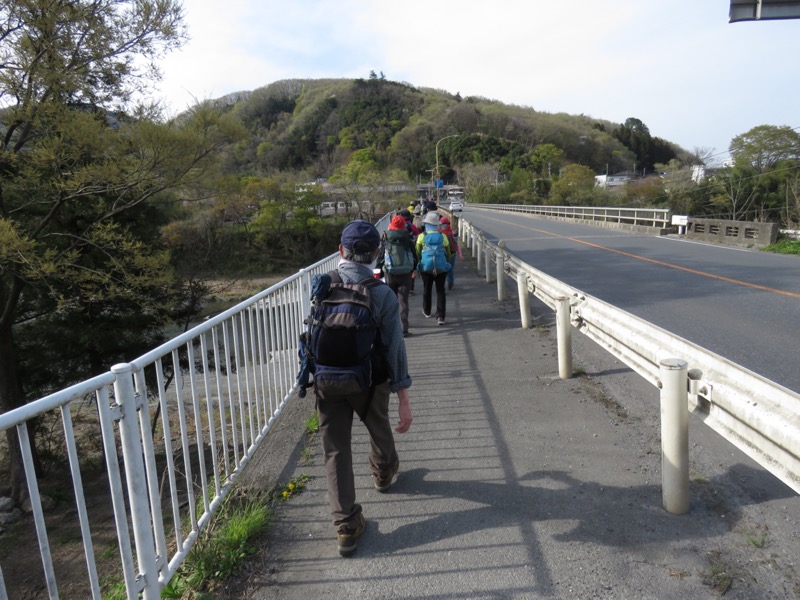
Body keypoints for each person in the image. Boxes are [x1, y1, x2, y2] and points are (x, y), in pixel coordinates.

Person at [316, 220, 413, 557]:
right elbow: (394, 347)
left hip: (327, 380)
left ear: (341, 251)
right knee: (379, 426)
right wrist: (403, 396)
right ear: (377, 253)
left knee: (335, 450)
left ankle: (345, 525)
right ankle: (383, 473)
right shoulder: (382, 293)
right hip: (370, 380)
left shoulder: (322, 286)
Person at [383, 215, 417, 336]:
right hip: (405, 273)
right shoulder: (408, 238)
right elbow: (414, 255)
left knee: (391, 301)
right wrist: (414, 269)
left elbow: (382, 255)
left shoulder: (386, 237)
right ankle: (404, 328)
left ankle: (391, 327)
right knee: (403, 301)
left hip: (390, 272)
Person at [416, 210, 451, 326]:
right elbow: (448, 252)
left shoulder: (422, 236)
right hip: (441, 267)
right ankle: (441, 316)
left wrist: (419, 262)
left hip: (426, 267)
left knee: (427, 289)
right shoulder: (443, 236)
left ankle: (427, 311)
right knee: (440, 291)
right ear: (437, 225)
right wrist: (447, 262)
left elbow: (418, 251)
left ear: (426, 224)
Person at [439, 215, 461, 290]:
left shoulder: (438, 231)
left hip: (441, 253)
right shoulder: (449, 231)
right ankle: (450, 282)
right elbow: (455, 243)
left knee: (442, 269)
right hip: (451, 253)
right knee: (450, 269)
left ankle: (441, 284)